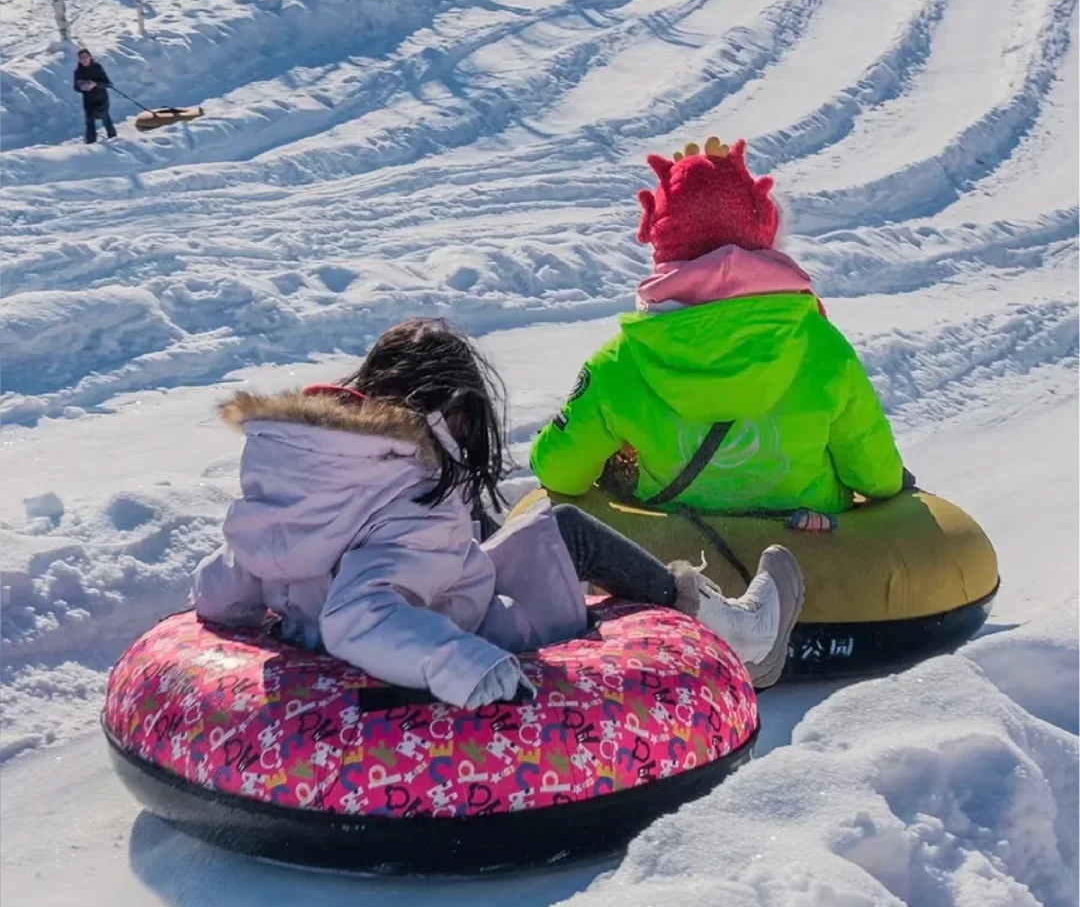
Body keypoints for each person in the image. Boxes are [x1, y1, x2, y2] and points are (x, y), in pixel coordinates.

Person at [192, 319, 805, 699]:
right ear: (453, 412)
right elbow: (362, 612)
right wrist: (459, 662)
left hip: (376, 604)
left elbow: (227, 584)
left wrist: (248, 616)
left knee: (478, 518)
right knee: (562, 530)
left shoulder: (305, 484)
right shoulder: (412, 506)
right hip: (460, 628)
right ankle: (740, 633)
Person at [530, 138, 905, 537]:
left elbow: (558, 472)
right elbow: (878, 479)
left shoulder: (620, 360)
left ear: (663, 245)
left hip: (677, 557)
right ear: (764, 236)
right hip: (810, 553)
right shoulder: (819, 343)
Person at [73, 48, 116, 143]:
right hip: (88, 100)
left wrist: (95, 84)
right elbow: (75, 87)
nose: (84, 60)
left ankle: (114, 139)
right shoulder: (78, 72)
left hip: (101, 99)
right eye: (82, 58)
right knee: (89, 122)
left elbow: (108, 83)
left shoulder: (97, 68)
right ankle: (91, 144)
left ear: (90, 57)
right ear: (79, 59)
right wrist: (81, 86)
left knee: (106, 118)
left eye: (86, 57)